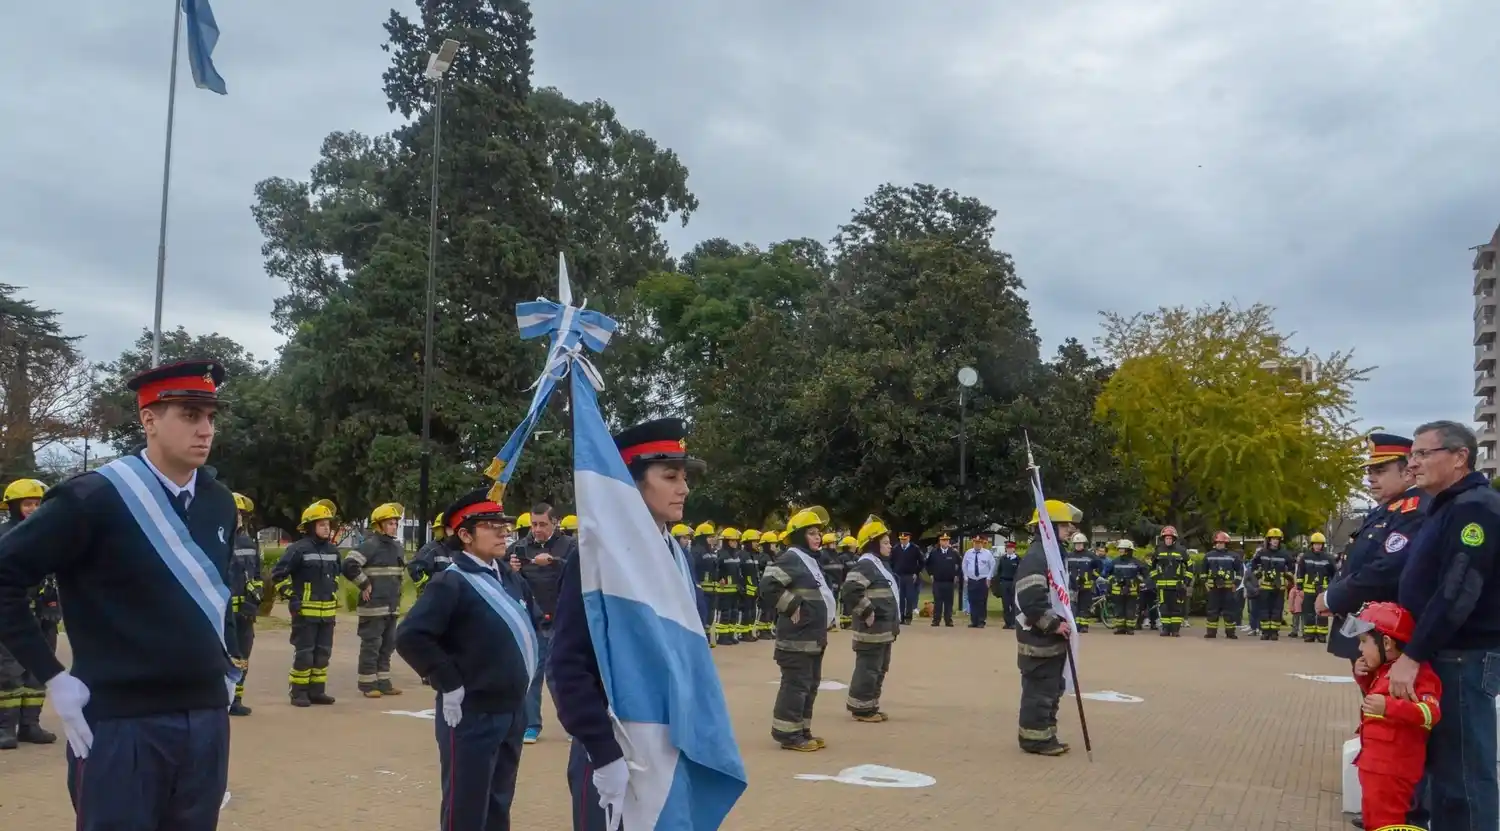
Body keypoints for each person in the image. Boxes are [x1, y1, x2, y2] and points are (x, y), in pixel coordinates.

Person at [0, 359, 241, 829]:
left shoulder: (220, 501)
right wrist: (52, 675)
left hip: (206, 717)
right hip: (120, 722)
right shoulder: (91, 498)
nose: (205, 429)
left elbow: (219, 590)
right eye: (190, 415)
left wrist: (226, 663)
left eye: (211, 416)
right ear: (149, 419)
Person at [551, 417, 713, 827]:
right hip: (616, 748)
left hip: (670, 744)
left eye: (684, 477)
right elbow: (569, 665)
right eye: (671, 476)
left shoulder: (676, 554)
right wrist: (602, 754)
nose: (684, 488)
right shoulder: (597, 557)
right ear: (632, 483)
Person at [396, 489, 538, 831]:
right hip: (473, 713)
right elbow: (411, 636)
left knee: (498, 805)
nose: (503, 531)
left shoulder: (509, 577)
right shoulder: (451, 583)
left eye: (503, 524)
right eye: (491, 526)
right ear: (464, 535)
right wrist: (449, 681)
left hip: (511, 710)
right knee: (467, 809)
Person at [1392, 420, 1500, 830]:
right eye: (1411, 455)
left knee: (1465, 775)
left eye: (1423, 454)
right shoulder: (1447, 506)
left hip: (1463, 658)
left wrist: (1414, 654)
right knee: (1445, 772)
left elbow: (1458, 590)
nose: (1413, 464)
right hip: (1447, 654)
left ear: (1459, 458)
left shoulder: (1475, 507)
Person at [1320, 432, 1428, 663]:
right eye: (1369, 472)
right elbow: (1354, 562)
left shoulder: (1413, 511)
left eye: (1380, 471)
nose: (1370, 478)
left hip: (1388, 629)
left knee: (1386, 698)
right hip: (1365, 623)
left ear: (1408, 472)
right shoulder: (1384, 511)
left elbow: (1386, 569)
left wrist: (1333, 598)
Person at [1343, 603, 1441, 831]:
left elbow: (1430, 713)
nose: (1360, 649)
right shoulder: (1387, 670)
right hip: (1375, 765)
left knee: (1387, 822)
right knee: (1373, 819)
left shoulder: (1417, 676)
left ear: (1386, 643)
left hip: (1393, 770)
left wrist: (1389, 707)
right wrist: (1363, 677)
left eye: (1363, 641)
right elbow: (1376, 696)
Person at [761, 504, 837, 752]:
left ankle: (802, 729)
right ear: (799, 535)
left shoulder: (809, 560)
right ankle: (788, 734)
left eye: (818, 533)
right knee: (796, 684)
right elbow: (768, 585)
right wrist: (792, 606)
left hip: (812, 637)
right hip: (797, 639)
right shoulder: (791, 557)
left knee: (809, 684)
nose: (818, 537)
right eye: (812, 533)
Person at [1014, 498, 1080, 756]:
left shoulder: (1051, 554)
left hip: (1050, 641)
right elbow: (1031, 600)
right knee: (1039, 692)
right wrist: (1053, 625)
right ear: (1049, 526)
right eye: (1064, 525)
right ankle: (1034, 740)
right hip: (1039, 641)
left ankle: (1046, 735)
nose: (1070, 530)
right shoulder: (1037, 557)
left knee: (1052, 690)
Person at [0, 478, 57, 747]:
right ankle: (5, 728)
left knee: (39, 671)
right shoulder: (5, 536)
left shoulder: (52, 536)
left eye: (38, 504)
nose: (33, 509)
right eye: (27, 504)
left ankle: (30, 725)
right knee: (9, 672)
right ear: (12, 506)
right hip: (12, 616)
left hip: (45, 615)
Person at [510, 502, 573, 743]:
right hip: (533, 621)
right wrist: (510, 569)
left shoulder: (569, 546)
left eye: (542, 525)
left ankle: (572, 723)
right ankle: (531, 725)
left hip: (563, 619)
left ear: (554, 523)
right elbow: (503, 577)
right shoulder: (519, 547)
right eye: (534, 524)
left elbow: (582, 572)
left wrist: (555, 561)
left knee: (561, 674)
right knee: (532, 674)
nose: (537, 529)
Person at [272, 499, 342, 706]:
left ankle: (317, 691)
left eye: (328, 524)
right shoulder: (298, 549)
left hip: (327, 613)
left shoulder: (333, 551)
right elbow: (278, 575)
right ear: (310, 527)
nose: (326, 528)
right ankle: (298, 692)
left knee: (323, 654)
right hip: (305, 612)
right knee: (305, 653)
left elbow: (337, 575)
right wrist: (292, 597)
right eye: (322, 524)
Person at [344, 502, 406, 699]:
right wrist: (364, 584)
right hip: (373, 608)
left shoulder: (396, 547)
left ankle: (384, 682)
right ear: (378, 525)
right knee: (372, 645)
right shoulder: (370, 545)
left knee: (388, 646)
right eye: (390, 523)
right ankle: (367, 685)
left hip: (390, 607)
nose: (394, 526)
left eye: (395, 523)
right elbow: (349, 565)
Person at [841, 517, 900, 722]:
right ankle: (861, 708)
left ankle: (870, 705)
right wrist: (867, 611)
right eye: (885, 542)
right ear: (873, 544)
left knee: (879, 668)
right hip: (871, 630)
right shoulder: (866, 565)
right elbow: (850, 590)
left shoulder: (879, 565)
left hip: (882, 630)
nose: (889, 545)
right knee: (868, 668)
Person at [228, 492, 262, 716]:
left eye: (241, 514)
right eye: (234, 513)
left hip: (245, 612)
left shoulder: (249, 543)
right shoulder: (215, 540)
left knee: (242, 656)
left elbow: (257, 575)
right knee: (223, 655)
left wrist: (254, 601)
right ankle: (223, 698)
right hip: (224, 612)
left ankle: (236, 698)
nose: (238, 518)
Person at [1198, 531, 1242, 639]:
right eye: (1218, 542)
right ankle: (1211, 633)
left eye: (1222, 543)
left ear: (1226, 543)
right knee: (1212, 610)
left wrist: (1236, 584)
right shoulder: (1208, 556)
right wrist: (1205, 583)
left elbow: (1240, 572)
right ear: (1214, 543)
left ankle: (1230, 633)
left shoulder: (1234, 556)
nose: (1220, 545)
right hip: (1213, 588)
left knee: (1229, 612)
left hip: (1228, 589)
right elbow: (1203, 571)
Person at [1249, 529, 1290, 640]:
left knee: (1277, 610)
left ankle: (1274, 632)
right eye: (1273, 539)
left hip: (1279, 587)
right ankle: (1265, 632)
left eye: (1277, 539)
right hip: (1265, 587)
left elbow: (1291, 568)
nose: (1275, 541)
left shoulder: (1285, 554)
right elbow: (1253, 566)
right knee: (1264, 610)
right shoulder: (1262, 553)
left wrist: (1286, 578)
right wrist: (1258, 576)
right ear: (1269, 540)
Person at [1152, 526, 1190, 637]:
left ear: (1174, 539)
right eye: (1166, 538)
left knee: (1176, 608)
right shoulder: (1158, 550)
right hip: (1162, 586)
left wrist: (1185, 581)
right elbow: (1151, 566)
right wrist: (1156, 578)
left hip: (1177, 586)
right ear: (1163, 538)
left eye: (1170, 538)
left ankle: (1175, 630)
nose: (1168, 540)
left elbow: (1190, 566)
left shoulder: (1181, 550)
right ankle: (1165, 629)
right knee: (1164, 607)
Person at [1298, 533, 1334, 643]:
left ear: (1323, 545)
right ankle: (1309, 634)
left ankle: (1321, 634)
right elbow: (1300, 572)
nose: (1318, 546)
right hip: (1308, 590)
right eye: (1316, 544)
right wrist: (1299, 587)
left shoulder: (1328, 558)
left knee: (1322, 612)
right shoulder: (1305, 557)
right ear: (1312, 545)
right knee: (1309, 612)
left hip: (1322, 590)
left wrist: (1332, 587)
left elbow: (1333, 574)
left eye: (1320, 544)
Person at [408, 512, 454, 595]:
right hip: (433, 598)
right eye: (451, 527)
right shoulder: (430, 549)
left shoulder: (456, 549)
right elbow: (414, 568)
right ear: (442, 530)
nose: (454, 530)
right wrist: (428, 587)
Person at [1109, 540, 1147, 635]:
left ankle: (1130, 628)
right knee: (1119, 610)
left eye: (1122, 549)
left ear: (1129, 550)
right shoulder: (1114, 562)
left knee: (1130, 610)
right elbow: (1107, 574)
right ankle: (1120, 628)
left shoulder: (1136, 562)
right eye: (1120, 549)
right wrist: (1111, 582)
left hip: (1132, 591)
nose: (1120, 551)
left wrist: (1143, 582)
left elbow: (1146, 574)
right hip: (1117, 590)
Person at [1063, 534, 1099, 633]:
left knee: (1084, 605)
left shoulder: (1091, 556)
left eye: (1080, 543)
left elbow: (1099, 567)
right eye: (1076, 544)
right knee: (1073, 606)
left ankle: (1084, 626)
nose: (1078, 545)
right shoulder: (1069, 556)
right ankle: (1075, 624)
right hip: (1072, 585)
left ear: (1084, 544)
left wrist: (1093, 577)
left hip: (1086, 586)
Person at [926, 533, 960, 627]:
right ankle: (936, 620)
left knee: (949, 602)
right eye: (943, 540)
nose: (945, 542)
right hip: (937, 581)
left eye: (946, 540)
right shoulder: (934, 552)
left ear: (949, 541)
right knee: (938, 601)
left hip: (949, 581)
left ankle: (948, 620)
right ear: (940, 541)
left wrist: (956, 575)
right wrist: (931, 574)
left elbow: (960, 565)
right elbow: (928, 564)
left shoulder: (954, 552)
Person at [891, 531, 924, 624]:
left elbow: (922, 562)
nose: (903, 541)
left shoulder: (915, 549)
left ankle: (908, 617)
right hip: (898, 576)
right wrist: (893, 572)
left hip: (910, 576)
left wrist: (916, 573)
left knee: (909, 597)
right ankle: (901, 617)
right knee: (900, 597)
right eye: (901, 539)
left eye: (905, 539)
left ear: (909, 538)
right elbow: (891, 561)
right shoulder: (896, 549)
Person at [962, 536, 995, 628]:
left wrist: (989, 578)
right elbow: (964, 565)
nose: (977, 544)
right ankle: (974, 620)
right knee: (972, 600)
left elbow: (992, 565)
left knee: (982, 601)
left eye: (979, 543)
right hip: (971, 580)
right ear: (973, 543)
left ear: (982, 543)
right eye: (975, 542)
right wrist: (966, 576)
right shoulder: (968, 553)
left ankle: (981, 620)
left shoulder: (987, 553)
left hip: (983, 580)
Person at [992, 540, 1021, 629]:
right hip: (1004, 583)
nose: (1009, 550)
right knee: (1005, 604)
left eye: (1011, 548)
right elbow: (999, 571)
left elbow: (1020, 572)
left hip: (1014, 583)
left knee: (1013, 603)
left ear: (1014, 549)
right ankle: (1007, 622)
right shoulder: (1003, 559)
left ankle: (1013, 622)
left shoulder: (1018, 559)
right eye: (1007, 548)